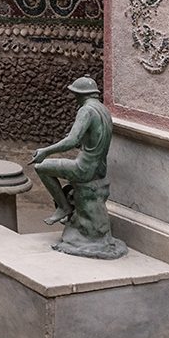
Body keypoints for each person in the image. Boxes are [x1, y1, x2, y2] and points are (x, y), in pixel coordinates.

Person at [30, 76, 112, 226]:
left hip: (85, 168)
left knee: (41, 168)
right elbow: (94, 136)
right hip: (99, 169)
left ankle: (63, 207)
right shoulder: (103, 109)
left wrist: (45, 151)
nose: (75, 98)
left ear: (81, 94)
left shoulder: (86, 110)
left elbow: (71, 141)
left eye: (75, 94)